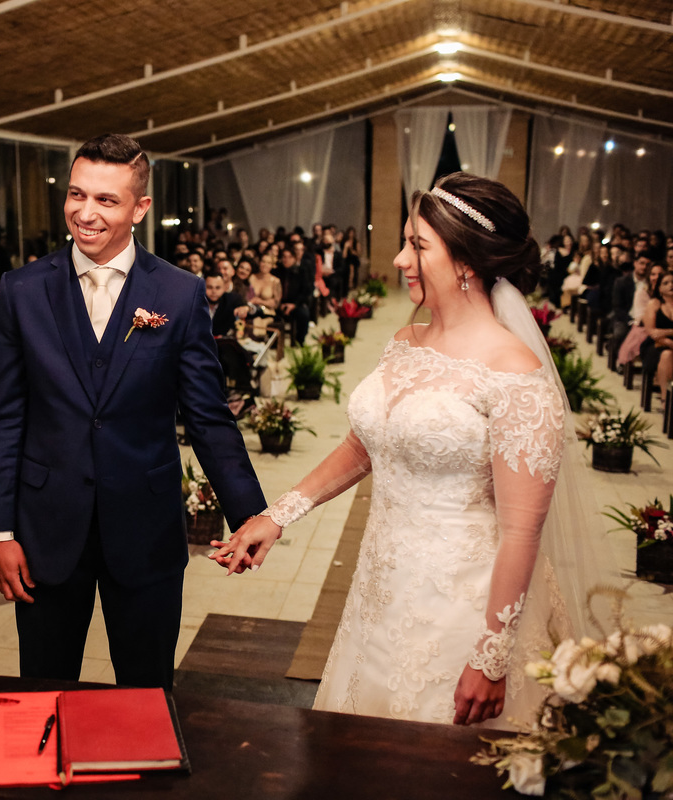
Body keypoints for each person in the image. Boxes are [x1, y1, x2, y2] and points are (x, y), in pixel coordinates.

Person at [212, 172, 614, 730]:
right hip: (381, 587)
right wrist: (277, 517)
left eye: (418, 246)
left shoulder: (515, 374)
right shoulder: (405, 342)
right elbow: (363, 446)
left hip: (461, 604)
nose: (401, 260)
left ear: (468, 262)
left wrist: (492, 656)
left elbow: (523, 532)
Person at [0, 134, 274, 690]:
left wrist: (251, 512)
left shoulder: (179, 292)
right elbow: (5, 419)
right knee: (45, 686)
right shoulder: (21, 291)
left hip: (146, 528)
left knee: (146, 690)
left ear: (140, 208)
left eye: (106, 200)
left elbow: (209, 417)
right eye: (75, 194)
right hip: (45, 530)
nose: (84, 213)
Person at [641, 271, 673, 404]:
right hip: (655, 346)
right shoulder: (654, 304)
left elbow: (659, 331)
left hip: (667, 342)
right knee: (667, 355)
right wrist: (670, 341)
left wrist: (666, 331)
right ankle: (666, 400)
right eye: (666, 283)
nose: (671, 285)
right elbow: (652, 333)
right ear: (659, 288)